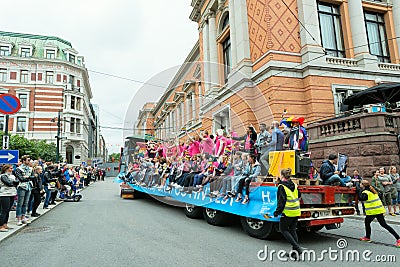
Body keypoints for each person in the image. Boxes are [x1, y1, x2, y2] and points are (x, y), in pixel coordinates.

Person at [357, 180, 400, 247]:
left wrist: (358, 190)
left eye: (360, 184)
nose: (360, 185)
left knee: (367, 222)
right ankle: (398, 239)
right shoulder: (373, 191)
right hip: (379, 210)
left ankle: (367, 237)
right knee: (384, 224)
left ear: (363, 185)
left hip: (373, 211)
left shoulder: (366, 192)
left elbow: (361, 198)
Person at [273, 168, 304, 256]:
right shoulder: (294, 184)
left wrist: (277, 212)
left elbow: (281, 202)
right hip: (296, 211)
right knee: (293, 230)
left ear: (281, 176)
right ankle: (294, 253)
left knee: (283, 230)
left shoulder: (281, 186)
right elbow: (299, 196)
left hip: (288, 212)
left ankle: (297, 248)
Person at [14, 155, 33, 226]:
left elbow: (34, 177)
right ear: (24, 161)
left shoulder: (30, 169)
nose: (29, 161)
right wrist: (29, 178)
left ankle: (23, 217)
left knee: (25, 203)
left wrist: (27, 177)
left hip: (29, 186)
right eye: (28, 160)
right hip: (21, 187)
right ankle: (18, 219)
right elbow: (21, 179)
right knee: (20, 203)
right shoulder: (19, 169)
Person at [0, 164, 17, 232]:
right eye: (10, 168)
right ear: (6, 169)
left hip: (12, 193)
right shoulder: (3, 176)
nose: (12, 169)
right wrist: (14, 182)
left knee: (8, 210)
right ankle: (0, 225)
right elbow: (9, 183)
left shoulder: (11, 176)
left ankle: (5, 224)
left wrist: (14, 182)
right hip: (4, 194)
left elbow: (17, 182)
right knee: (4, 210)